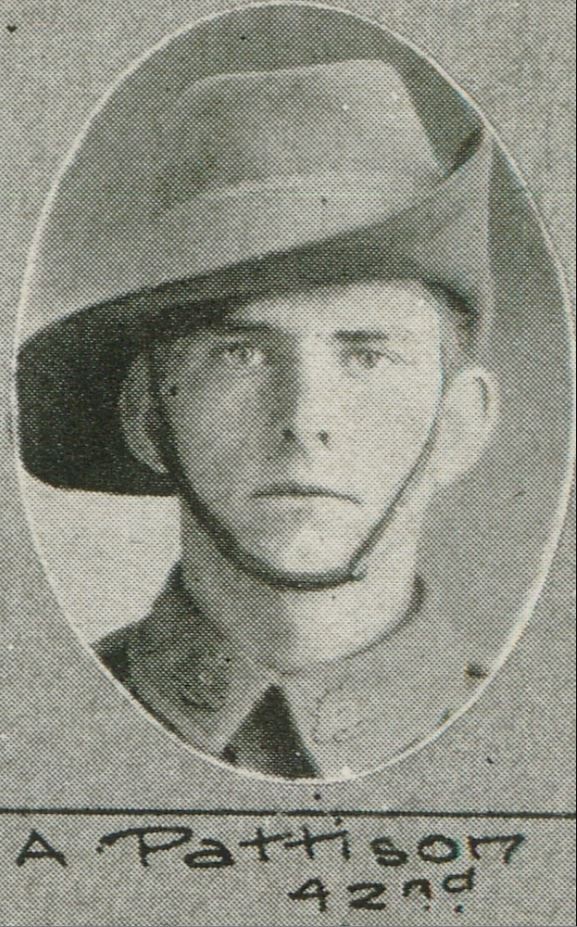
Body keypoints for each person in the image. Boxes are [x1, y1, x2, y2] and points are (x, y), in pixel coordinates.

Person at [17, 57, 498, 780]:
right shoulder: (29, 740)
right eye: (239, 353)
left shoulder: (545, 742)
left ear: (456, 427)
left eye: (366, 356)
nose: (304, 419)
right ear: (149, 419)